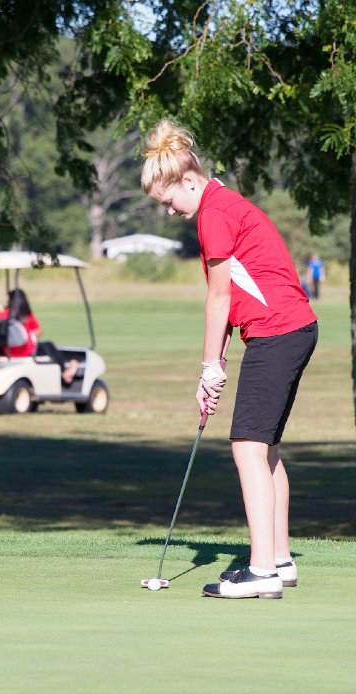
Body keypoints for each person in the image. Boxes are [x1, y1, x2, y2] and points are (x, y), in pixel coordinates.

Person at [141, 118, 318, 600]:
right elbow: (233, 296)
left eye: (169, 201)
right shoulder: (223, 203)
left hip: (277, 332)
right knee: (265, 449)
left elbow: (218, 298)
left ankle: (261, 571)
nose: (170, 211)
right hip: (292, 329)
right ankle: (279, 561)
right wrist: (214, 366)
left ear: (188, 180)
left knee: (246, 448)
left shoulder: (214, 214)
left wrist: (209, 368)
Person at [0, 289, 78, 384]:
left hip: (8, 351)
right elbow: (38, 331)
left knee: (45, 346)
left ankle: (65, 371)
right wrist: (30, 335)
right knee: (48, 345)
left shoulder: (3, 314)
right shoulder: (26, 315)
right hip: (25, 350)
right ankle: (64, 371)